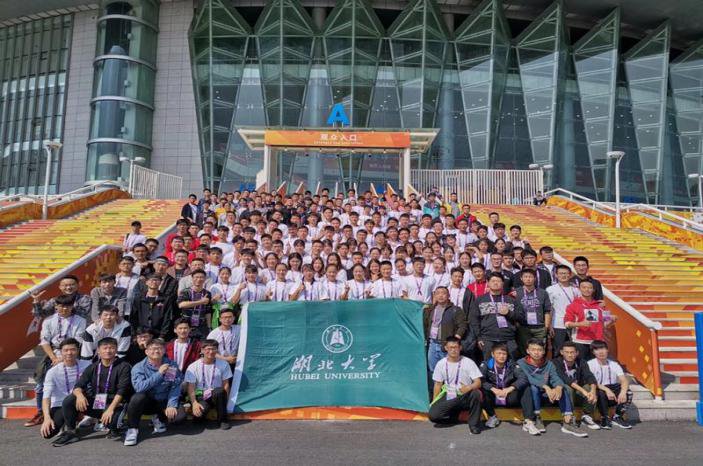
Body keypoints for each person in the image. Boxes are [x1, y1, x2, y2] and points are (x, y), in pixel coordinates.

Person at [52, 337, 132, 446]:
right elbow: (78, 386)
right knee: (70, 400)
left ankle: (118, 425)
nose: (108, 351)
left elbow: (122, 391)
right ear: (98, 350)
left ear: (116, 350)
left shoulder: (124, 366)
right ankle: (71, 432)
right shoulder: (93, 367)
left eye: (111, 348)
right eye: (105, 348)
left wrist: (110, 409)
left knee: (113, 424)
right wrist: (79, 395)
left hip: (116, 403)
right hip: (99, 402)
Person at [27, 295, 87, 428]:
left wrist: (64, 357)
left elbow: (78, 341)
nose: (64, 309)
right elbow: (44, 341)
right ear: (56, 306)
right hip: (52, 354)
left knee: (80, 383)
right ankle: (42, 413)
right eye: (61, 306)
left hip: (72, 353)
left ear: (72, 306)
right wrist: (54, 358)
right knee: (40, 384)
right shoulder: (48, 320)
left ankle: (80, 412)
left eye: (67, 306)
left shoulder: (80, 320)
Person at [517, 339, 588, 437]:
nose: (536, 352)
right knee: (533, 387)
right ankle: (537, 418)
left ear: (543, 351)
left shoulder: (549, 364)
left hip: (549, 396)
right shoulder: (521, 363)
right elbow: (528, 379)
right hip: (532, 398)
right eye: (533, 350)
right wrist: (546, 387)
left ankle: (568, 422)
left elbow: (555, 377)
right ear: (528, 351)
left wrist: (558, 387)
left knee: (563, 388)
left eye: (539, 350)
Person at [124, 338, 186, 446]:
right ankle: (132, 429)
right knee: (137, 398)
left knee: (179, 418)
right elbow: (139, 388)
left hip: (164, 400)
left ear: (164, 350)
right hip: (148, 402)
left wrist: (171, 405)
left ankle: (158, 419)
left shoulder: (170, 365)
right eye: (152, 349)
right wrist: (159, 374)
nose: (156, 351)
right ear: (146, 351)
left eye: (159, 348)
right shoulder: (139, 367)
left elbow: (174, 386)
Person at [428, 336, 483, 435]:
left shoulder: (468, 362)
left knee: (476, 393)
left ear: (460, 348)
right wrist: (434, 402)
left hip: (465, 395)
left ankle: (474, 425)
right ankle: (455, 417)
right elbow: (438, 384)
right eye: (450, 347)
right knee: (433, 416)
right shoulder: (441, 364)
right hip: (449, 395)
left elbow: (478, 382)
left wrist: (469, 387)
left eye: (455, 347)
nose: (453, 350)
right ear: (446, 348)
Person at [40, 338, 92, 441]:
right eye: (66, 350)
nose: (69, 353)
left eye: (73, 349)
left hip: (81, 401)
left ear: (78, 350)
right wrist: (46, 418)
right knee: (48, 433)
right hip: (60, 404)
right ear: (61, 352)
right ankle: (68, 421)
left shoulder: (87, 365)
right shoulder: (52, 372)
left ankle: (89, 421)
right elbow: (46, 397)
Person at [479, 343, 534, 433]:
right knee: (481, 390)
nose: (502, 356)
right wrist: (493, 389)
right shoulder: (486, 365)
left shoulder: (512, 364)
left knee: (526, 388)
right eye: (499, 353)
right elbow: (480, 380)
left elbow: (523, 378)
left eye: (504, 354)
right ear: (493, 354)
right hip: (493, 397)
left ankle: (528, 421)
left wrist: (510, 388)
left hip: (508, 396)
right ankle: (492, 416)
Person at [469, 273, 520, 361]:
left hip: (508, 338)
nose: (496, 283)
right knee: (489, 364)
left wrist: (508, 313)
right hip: (487, 338)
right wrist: (479, 337)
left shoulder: (511, 300)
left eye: (498, 281)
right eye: (493, 281)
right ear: (488, 283)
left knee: (510, 364)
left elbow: (520, 317)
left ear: (503, 283)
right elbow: (474, 320)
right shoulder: (480, 300)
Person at [184, 339, 232, 430]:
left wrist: (225, 401)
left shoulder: (224, 364)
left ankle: (223, 420)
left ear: (217, 350)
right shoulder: (193, 366)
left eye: (214, 349)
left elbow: (226, 384)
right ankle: (200, 414)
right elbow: (191, 387)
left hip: (216, 394)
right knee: (199, 416)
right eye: (208, 349)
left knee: (220, 391)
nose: (211, 352)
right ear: (202, 350)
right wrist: (194, 403)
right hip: (200, 394)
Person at [565, 279, 617, 360]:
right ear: (579, 289)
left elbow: (604, 325)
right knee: (582, 365)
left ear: (593, 290)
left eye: (589, 288)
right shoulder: (573, 305)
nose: (587, 290)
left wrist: (612, 321)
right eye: (584, 287)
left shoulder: (599, 306)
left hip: (597, 342)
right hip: (580, 342)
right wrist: (580, 324)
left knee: (596, 365)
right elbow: (567, 324)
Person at [553, 342, 600, 430]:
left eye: (572, 352)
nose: (569, 355)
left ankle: (586, 416)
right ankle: (569, 417)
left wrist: (593, 391)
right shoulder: (556, 362)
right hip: (561, 396)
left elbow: (589, 376)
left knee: (589, 387)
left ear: (577, 353)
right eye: (567, 352)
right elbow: (565, 379)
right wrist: (583, 391)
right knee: (567, 387)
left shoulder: (582, 362)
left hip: (577, 394)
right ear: (561, 352)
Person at [588, 340, 633, 429]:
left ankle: (617, 417)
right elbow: (591, 382)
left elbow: (624, 380)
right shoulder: (590, 364)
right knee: (600, 392)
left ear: (607, 350)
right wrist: (607, 390)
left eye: (603, 348)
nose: (601, 352)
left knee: (628, 392)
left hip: (612, 389)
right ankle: (604, 418)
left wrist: (623, 392)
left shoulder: (614, 364)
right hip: (599, 390)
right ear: (593, 352)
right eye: (597, 349)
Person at [423, 287, 467, 372]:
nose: (440, 295)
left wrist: (455, 339)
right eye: (438, 293)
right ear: (435, 296)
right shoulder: (430, 309)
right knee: (433, 370)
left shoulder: (455, 310)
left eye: (443, 293)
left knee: (449, 369)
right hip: (432, 344)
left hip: (447, 345)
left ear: (448, 295)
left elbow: (463, 325)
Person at [515, 269, 552, 356]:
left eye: (530, 277)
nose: (528, 279)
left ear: (535, 278)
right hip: (523, 327)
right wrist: (517, 325)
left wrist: (546, 327)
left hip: (540, 327)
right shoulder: (516, 293)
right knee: (525, 350)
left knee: (539, 351)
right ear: (521, 278)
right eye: (525, 277)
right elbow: (513, 310)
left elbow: (547, 310)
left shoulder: (543, 293)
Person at [546, 265, 580, 352]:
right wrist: (550, 326)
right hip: (557, 325)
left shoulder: (576, 290)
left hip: (574, 325)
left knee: (574, 351)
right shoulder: (550, 289)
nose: (563, 275)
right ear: (556, 275)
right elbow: (549, 309)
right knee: (558, 351)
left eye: (566, 273)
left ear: (570, 275)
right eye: (561, 273)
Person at [130, 274, 173, 340]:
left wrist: (162, 336)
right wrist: (135, 334)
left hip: (158, 335)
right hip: (141, 335)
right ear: (146, 282)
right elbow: (133, 318)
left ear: (160, 282)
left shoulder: (166, 299)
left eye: (157, 280)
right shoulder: (139, 298)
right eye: (152, 280)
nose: (154, 282)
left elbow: (167, 318)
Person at [177, 269, 212, 339]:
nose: (199, 279)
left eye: (201, 277)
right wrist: (201, 302)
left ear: (205, 279)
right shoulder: (185, 291)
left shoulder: (207, 293)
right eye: (196, 277)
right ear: (192, 278)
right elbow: (181, 305)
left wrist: (209, 327)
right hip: (187, 326)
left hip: (202, 325)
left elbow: (208, 311)